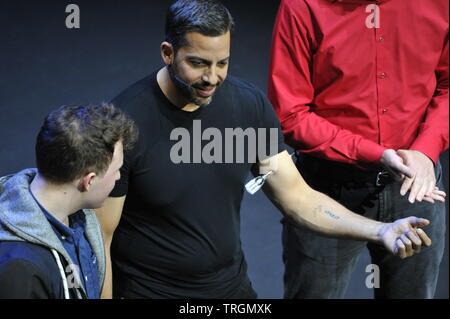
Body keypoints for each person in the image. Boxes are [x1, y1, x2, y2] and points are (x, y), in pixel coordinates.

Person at [96, 0, 441, 299]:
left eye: (223, 63)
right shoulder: (125, 124)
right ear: (168, 53)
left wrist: (380, 230)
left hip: (232, 292)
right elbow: (101, 238)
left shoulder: (247, 108)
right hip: (151, 291)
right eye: (198, 63)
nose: (212, 78)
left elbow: (299, 199)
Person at [268, 0, 448, 299]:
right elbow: (290, 114)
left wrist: (426, 150)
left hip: (415, 187)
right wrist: (376, 153)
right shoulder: (302, 6)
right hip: (325, 190)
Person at [0, 104, 137, 299]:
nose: (117, 178)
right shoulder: (19, 268)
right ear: (89, 181)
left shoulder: (80, 217)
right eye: (117, 170)